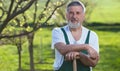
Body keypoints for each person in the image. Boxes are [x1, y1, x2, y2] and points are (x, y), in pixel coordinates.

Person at [51, 1, 99, 71]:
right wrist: (86, 47)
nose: (74, 16)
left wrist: (79, 55)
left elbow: (94, 62)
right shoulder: (58, 32)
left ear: (83, 16)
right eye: (71, 13)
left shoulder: (92, 35)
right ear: (66, 15)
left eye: (78, 13)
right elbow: (62, 49)